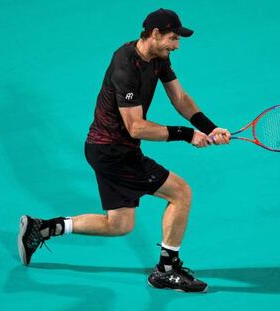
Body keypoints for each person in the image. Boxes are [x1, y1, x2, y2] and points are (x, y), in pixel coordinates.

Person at [17, 8, 230, 293]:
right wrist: (187, 134)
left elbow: (180, 97)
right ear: (154, 34)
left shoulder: (158, 57)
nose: (176, 45)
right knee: (181, 192)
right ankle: (166, 270)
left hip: (107, 150)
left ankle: (42, 228)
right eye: (172, 38)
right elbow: (136, 127)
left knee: (119, 224)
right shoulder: (125, 67)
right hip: (113, 152)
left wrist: (209, 127)